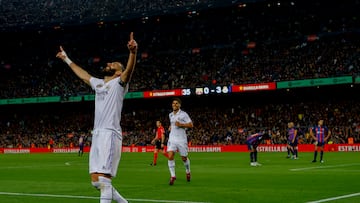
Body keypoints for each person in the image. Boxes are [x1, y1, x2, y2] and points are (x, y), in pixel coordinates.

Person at [56, 32, 138, 203]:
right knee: (96, 181)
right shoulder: (100, 83)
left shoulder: (119, 84)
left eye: (112, 64)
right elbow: (83, 75)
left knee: (105, 180)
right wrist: (67, 59)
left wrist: (133, 53)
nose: (108, 64)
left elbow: (128, 71)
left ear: (117, 72)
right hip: (98, 134)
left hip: (110, 134)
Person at [167, 97, 193, 185]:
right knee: (170, 156)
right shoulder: (170, 115)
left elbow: (191, 125)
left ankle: (188, 171)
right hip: (172, 139)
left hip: (181, 139)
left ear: (179, 105)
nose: (175, 105)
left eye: (176, 103)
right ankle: (173, 176)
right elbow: (172, 124)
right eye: (173, 103)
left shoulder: (184, 114)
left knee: (184, 158)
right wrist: (171, 127)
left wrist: (181, 124)